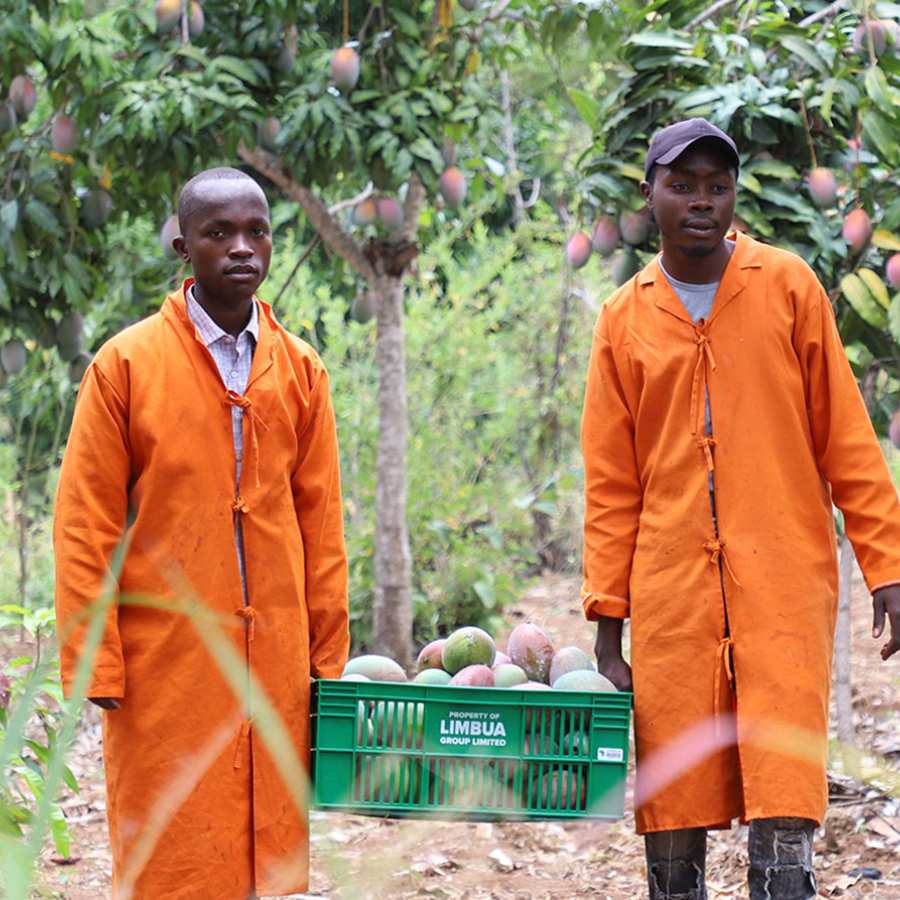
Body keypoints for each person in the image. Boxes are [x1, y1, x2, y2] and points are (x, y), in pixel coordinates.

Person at [580, 118, 900, 900]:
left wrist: (887, 568)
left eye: (716, 187)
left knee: (783, 784)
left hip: (784, 578)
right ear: (649, 193)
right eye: (681, 186)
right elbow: (611, 482)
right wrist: (607, 618)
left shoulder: (787, 286)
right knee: (675, 790)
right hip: (672, 591)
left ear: (733, 196)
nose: (700, 202)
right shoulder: (624, 318)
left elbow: (848, 440)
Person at [53, 166, 350, 899]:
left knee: (266, 854)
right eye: (219, 233)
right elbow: (85, 522)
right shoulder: (126, 366)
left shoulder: (300, 371)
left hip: (274, 659)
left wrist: (326, 660)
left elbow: (321, 522)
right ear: (184, 246)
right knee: (172, 854)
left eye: (257, 232)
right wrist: (99, 662)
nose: (241, 248)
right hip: (167, 666)